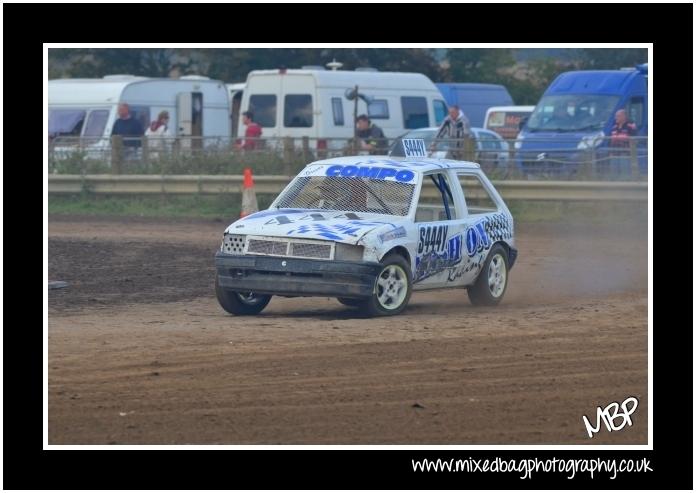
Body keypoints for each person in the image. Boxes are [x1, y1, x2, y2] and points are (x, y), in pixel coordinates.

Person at [608, 109, 637, 176]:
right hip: (614, 152)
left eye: (618, 116)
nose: (616, 118)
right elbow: (611, 139)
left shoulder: (630, 125)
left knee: (625, 171)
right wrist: (610, 151)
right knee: (614, 172)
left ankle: (626, 184)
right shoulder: (614, 126)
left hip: (625, 152)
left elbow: (634, 138)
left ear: (624, 116)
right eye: (616, 116)